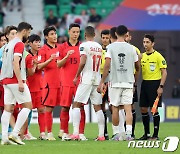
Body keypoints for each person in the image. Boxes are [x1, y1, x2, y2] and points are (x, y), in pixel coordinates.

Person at [97, 25, 140, 141]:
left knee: (115, 107)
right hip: (128, 82)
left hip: (115, 82)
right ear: (126, 34)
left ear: (115, 34)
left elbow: (106, 65)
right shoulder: (132, 48)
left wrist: (102, 81)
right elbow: (137, 66)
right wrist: (135, 80)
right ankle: (129, 134)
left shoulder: (110, 47)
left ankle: (116, 134)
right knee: (128, 108)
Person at [0, 22, 33, 145]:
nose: (28, 35)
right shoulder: (18, 44)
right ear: (24, 31)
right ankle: (15, 133)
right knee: (28, 106)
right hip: (15, 80)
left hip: (6, 80)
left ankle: (4, 137)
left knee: (8, 109)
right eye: (28, 32)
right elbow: (15, 62)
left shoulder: (8, 44)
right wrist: (20, 81)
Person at [71, 26, 105, 141]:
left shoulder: (83, 46)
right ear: (94, 35)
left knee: (76, 104)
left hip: (86, 78)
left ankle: (75, 133)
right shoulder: (99, 47)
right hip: (97, 78)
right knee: (98, 107)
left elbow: (83, 60)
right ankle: (101, 135)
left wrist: (76, 76)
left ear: (85, 35)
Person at [57, 23, 86, 141]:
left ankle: (81, 133)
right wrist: (66, 57)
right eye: (73, 32)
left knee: (81, 108)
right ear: (69, 32)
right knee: (65, 108)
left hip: (80, 83)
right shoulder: (62, 47)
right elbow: (58, 64)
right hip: (66, 82)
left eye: (78, 32)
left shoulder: (83, 47)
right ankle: (65, 132)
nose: (75, 34)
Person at [138, 34, 167, 140]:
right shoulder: (142, 56)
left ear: (152, 43)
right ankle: (147, 134)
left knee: (153, 110)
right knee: (143, 109)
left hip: (155, 84)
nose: (145, 44)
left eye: (147, 42)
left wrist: (161, 86)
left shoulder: (158, 56)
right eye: (144, 42)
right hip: (145, 84)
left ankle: (155, 135)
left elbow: (164, 73)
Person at [38, 26, 61, 140]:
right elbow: (39, 66)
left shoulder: (60, 48)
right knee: (49, 108)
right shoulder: (43, 50)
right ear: (46, 37)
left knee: (64, 106)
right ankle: (49, 133)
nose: (54, 36)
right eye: (52, 34)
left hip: (60, 82)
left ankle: (63, 131)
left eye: (55, 33)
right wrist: (49, 60)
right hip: (49, 83)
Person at [27, 34, 46, 140]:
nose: (39, 44)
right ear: (30, 44)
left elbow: (42, 68)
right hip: (29, 86)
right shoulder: (26, 56)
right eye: (36, 42)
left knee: (41, 110)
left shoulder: (42, 55)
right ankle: (25, 132)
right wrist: (35, 65)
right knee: (27, 111)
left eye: (39, 42)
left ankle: (42, 133)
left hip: (40, 86)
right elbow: (31, 72)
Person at [125, 30, 141, 139]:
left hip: (130, 81)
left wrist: (135, 83)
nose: (126, 38)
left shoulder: (135, 50)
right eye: (124, 36)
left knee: (131, 106)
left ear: (130, 37)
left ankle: (131, 132)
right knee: (117, 107)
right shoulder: (116, 48)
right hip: (119, 81)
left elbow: (138, 68)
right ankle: (120, 132)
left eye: (127, 36)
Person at [100, 29, 110, 140]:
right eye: (103, 37)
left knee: (113, 106)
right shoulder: (98, 50)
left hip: (111, 80)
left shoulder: (113, 50)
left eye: (107, 38)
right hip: (101, 80)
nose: (105, 40)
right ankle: (104, 132)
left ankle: (118, 132)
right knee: (101, 106)